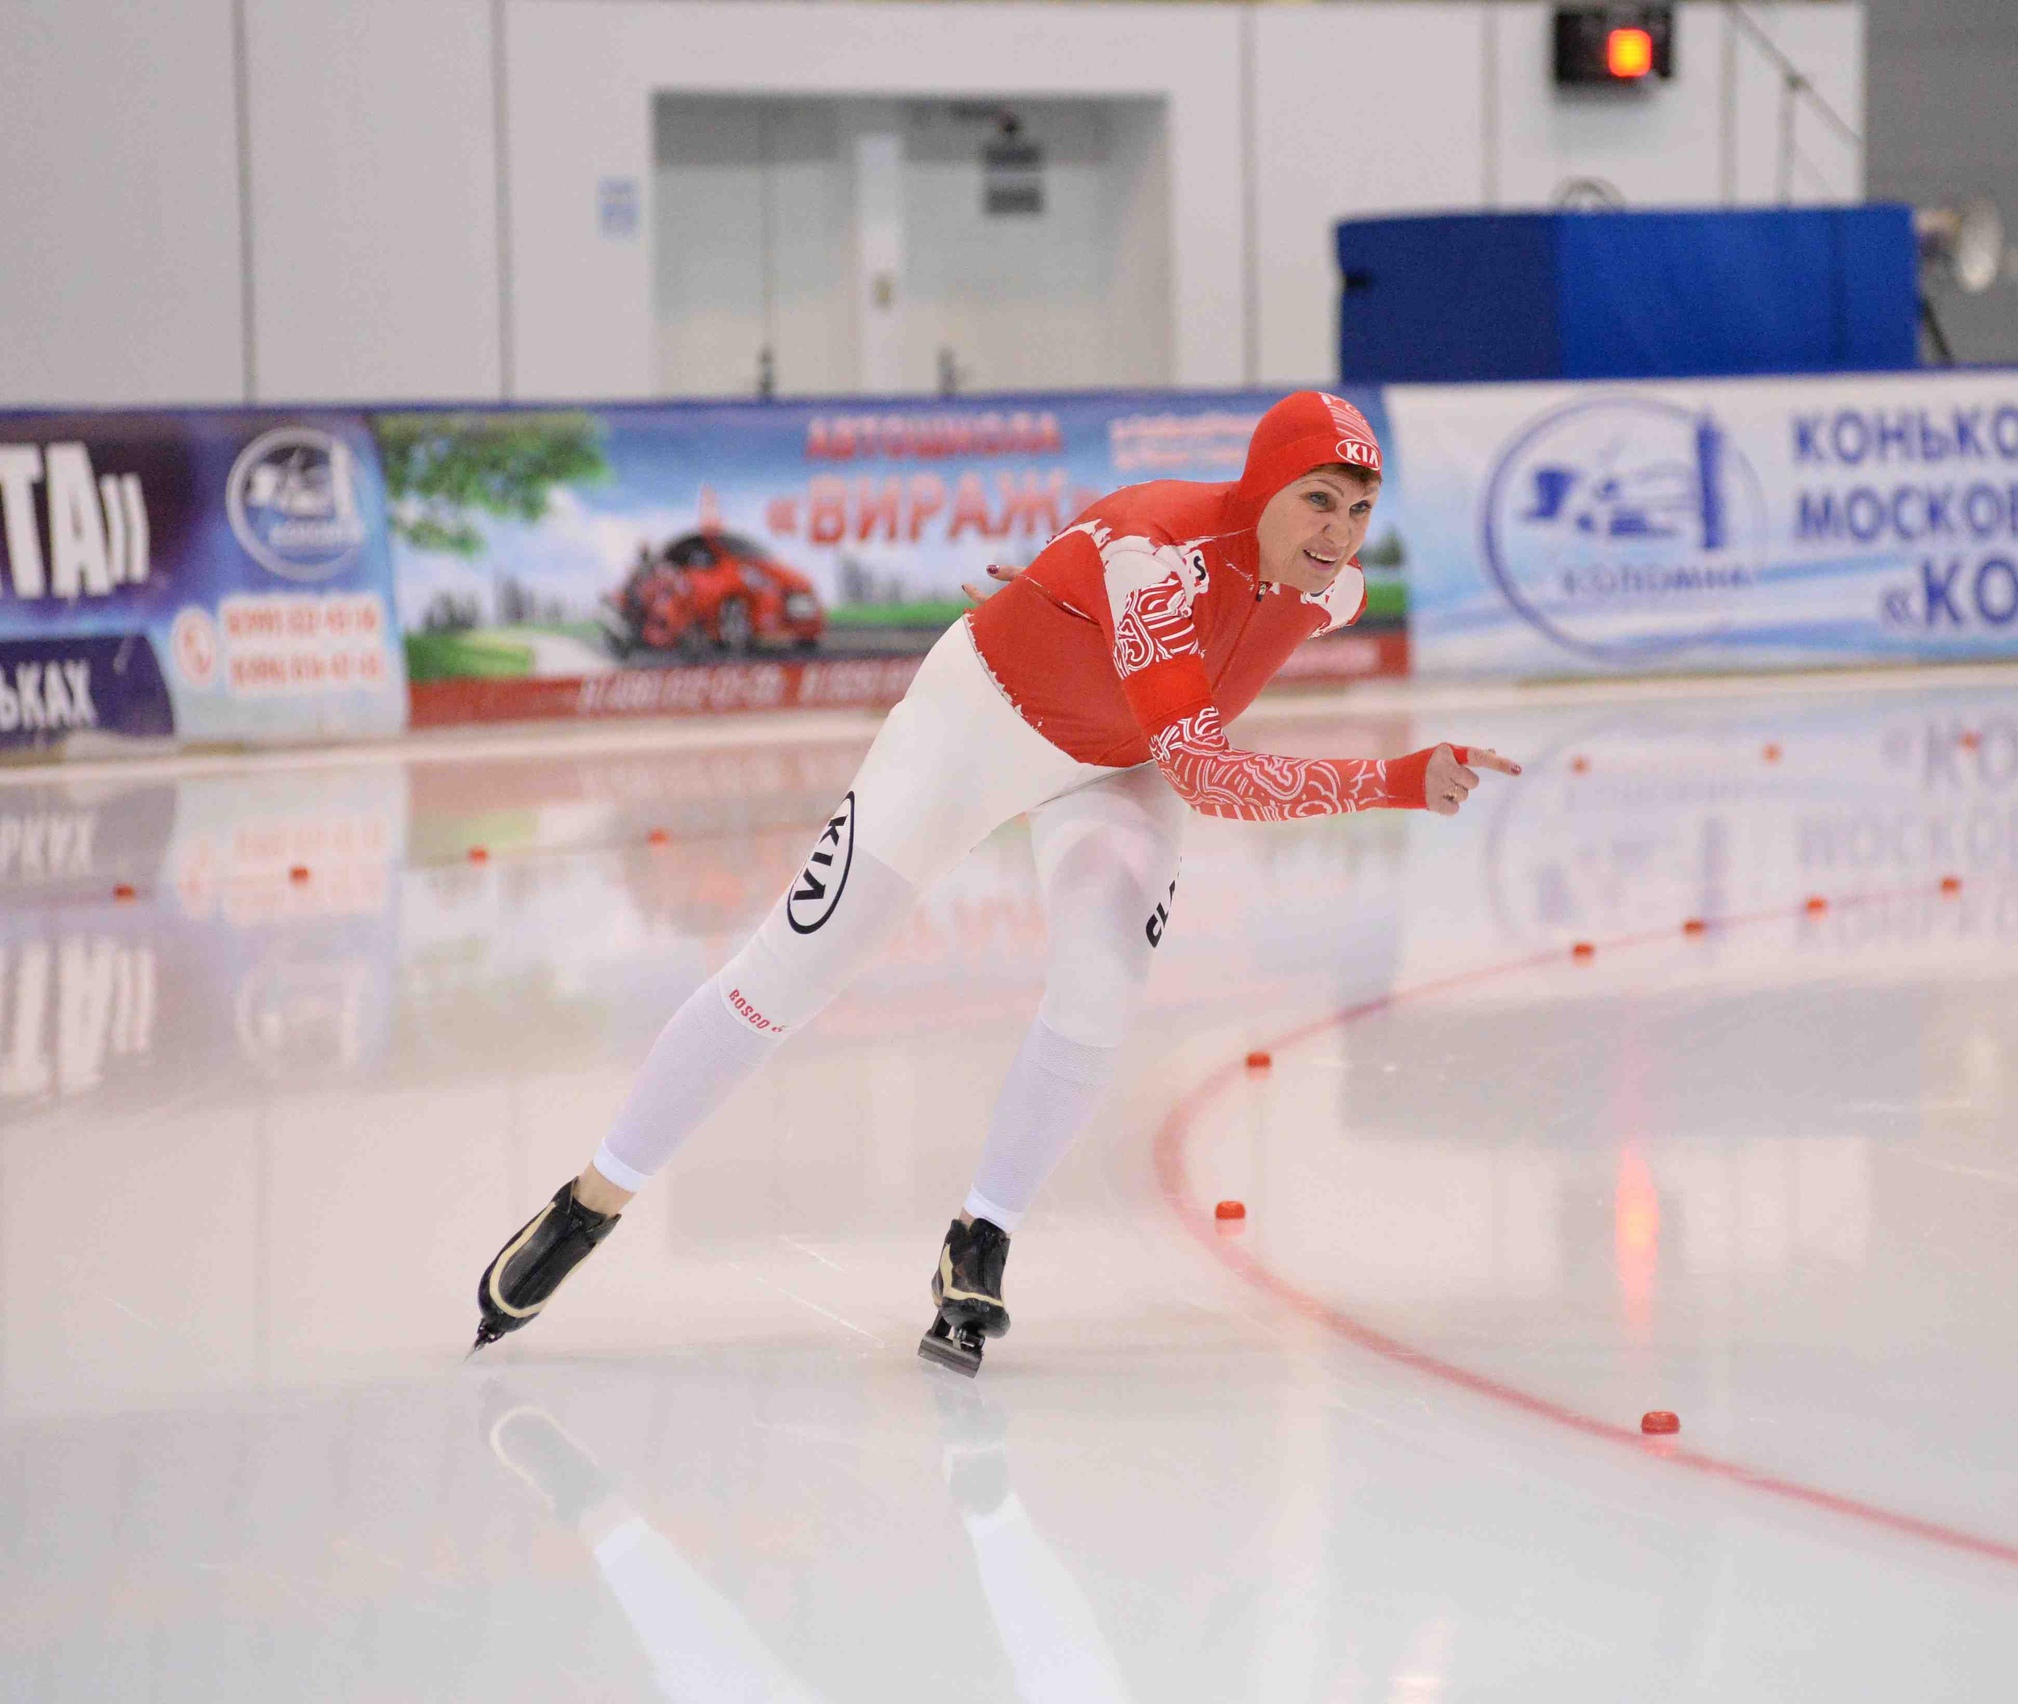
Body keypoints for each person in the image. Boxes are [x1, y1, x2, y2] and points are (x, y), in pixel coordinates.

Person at [470, 391, 1518, 1374]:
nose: (1338, 531)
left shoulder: (1335, 593)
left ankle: (981, 1239)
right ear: (1261, 490)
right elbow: (1206, 762)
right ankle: (589, 1203)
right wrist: (1393, 779)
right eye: (1317, 501)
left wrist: (1051, 599)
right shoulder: (1158, 552)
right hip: (973, 733)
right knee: (794, 971)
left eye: (1360, 507)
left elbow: (1177, 719)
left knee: (1100, 985)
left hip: (1124, 767)